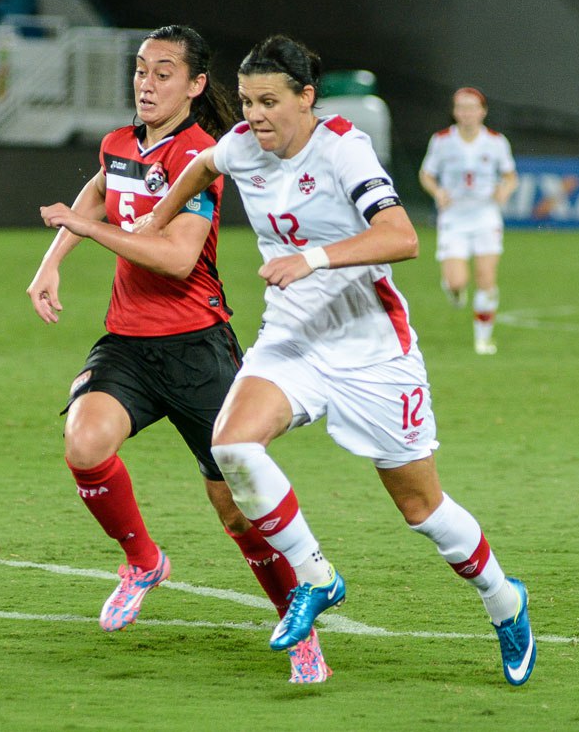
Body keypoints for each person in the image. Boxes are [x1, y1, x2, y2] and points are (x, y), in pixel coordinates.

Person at [118, 35, 536, 686]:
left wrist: (310, 258)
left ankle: (504, 602)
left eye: (270, 102)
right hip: (293, 337)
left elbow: (401, 237)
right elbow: (201, 169)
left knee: (422, 509)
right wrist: (156, 220)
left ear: (307, 98)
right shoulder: (242, 146)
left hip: (371, 348)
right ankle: (315, 574)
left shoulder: (343, 148)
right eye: (249, 101)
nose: (255, 116)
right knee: (232, 446)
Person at [26, 25, 332, 684]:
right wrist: (53, 261)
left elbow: (177, 257)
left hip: (197, 349)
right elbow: (99, 188)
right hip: (129, 345)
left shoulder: (200, 154)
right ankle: (143, 562)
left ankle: (297, 625)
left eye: (164, 72)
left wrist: (90, 230)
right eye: (141, 69)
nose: (146, 82)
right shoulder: (121, 143)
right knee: (84, 442)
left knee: (237, 507)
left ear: (195, 86)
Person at [418, 87, 518, 355]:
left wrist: (504, 190)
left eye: (472, 108)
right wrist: (438, 192)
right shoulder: (441, 141)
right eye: (461, 108)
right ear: (454, 112)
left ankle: (483, 339)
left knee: (486, 277)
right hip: (454, 216)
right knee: (456, 281)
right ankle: (454, 289)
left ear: (482, 111)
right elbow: (426, 174)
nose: (467, 113)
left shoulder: (496, 142)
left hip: (485, 214)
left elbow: (510, 176)